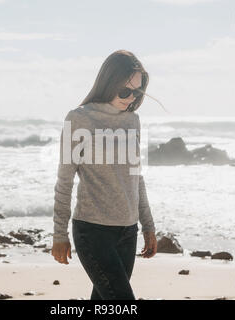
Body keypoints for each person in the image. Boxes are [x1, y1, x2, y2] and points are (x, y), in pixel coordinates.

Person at [51, 50, 157, 300]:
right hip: (93, 231)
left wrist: (148, 226)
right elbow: (64, 181)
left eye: (137, 92)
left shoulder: (133, 120)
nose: (130, 98)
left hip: (128, 232)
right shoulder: (79, 119)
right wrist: (59, 234)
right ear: (109, 83)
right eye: (125, 91)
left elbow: (136, 177)